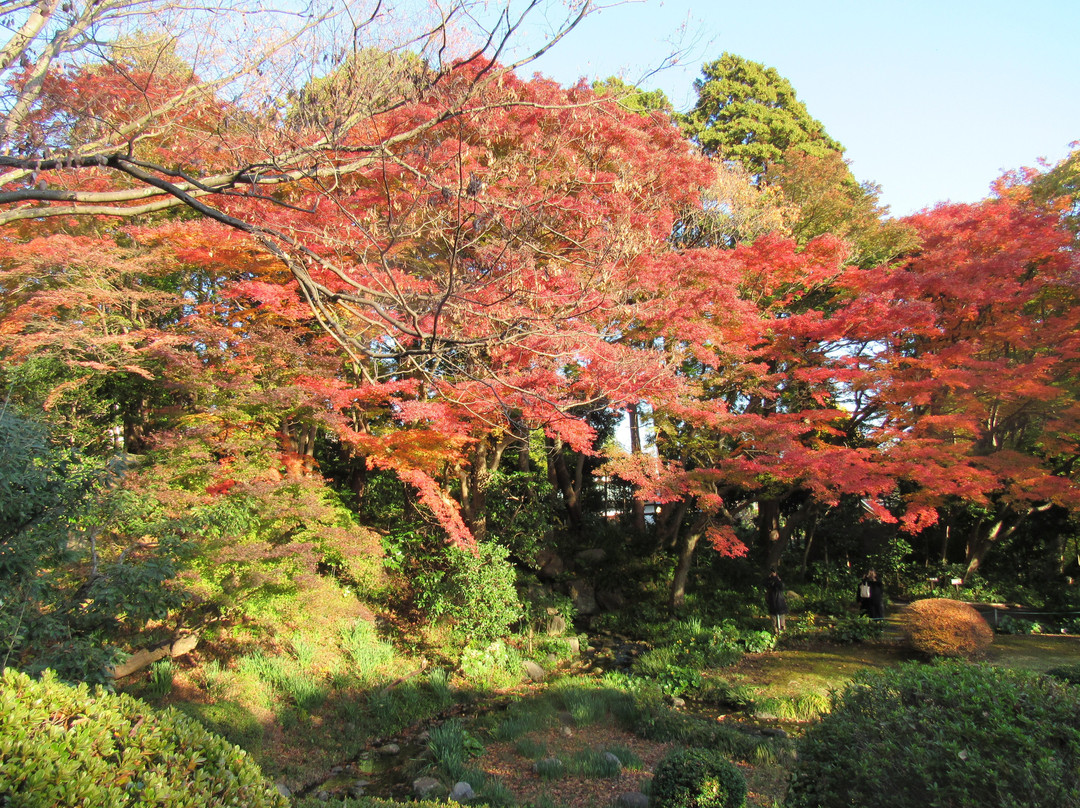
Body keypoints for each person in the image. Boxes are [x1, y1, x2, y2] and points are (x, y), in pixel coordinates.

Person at [765, 569, 788, 634]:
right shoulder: (770, 585)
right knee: (774, 624)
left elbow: (781, 585)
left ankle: (782, 634)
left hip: (780, 605)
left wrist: (775, 577)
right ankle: (776, 633)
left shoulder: (779, 585)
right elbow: (765, 583)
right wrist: (769, 578)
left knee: (782, 623)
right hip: (773, 605)